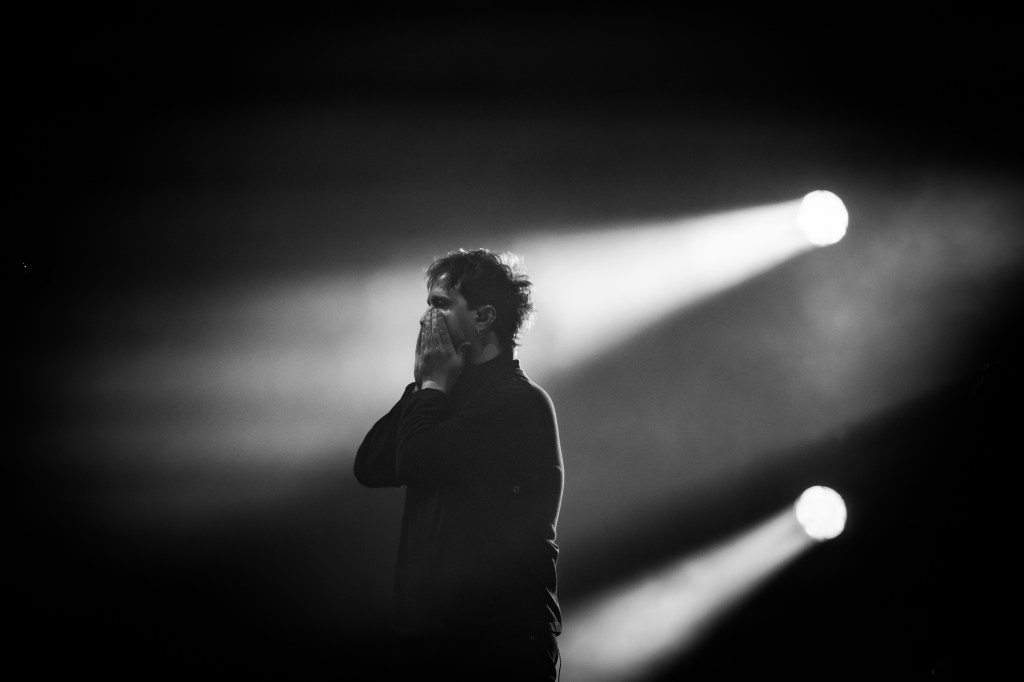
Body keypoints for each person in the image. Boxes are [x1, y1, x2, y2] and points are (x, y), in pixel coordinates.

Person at [354, 248, 564, 681]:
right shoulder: (444, 395)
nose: (424, 319)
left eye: (440, 304)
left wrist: (432, 382)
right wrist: (425, 385)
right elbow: (370, 465)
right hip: (429, 642)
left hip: (495, 648)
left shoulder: (518, 403)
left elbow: (416, 460)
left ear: (484, 317)